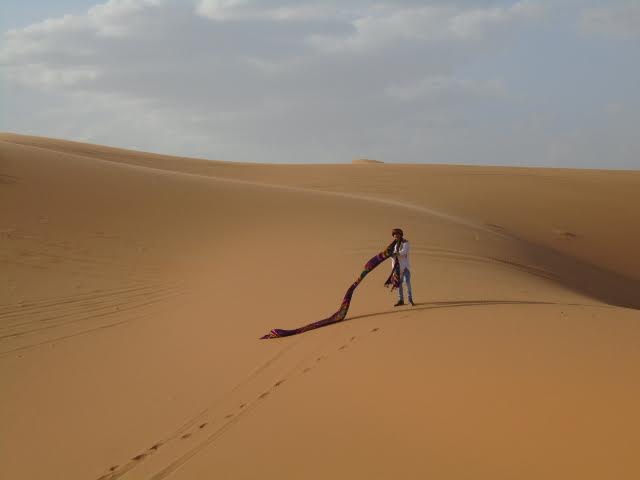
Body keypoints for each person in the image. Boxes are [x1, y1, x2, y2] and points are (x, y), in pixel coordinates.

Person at [391, 228, 415, 306]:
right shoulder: (393, 245)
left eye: (397, 234)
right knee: (399, 284)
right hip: (397, 268)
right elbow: (392, 257)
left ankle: (410, 300)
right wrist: (393, 269)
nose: (396, 236)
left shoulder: (405, 243)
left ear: (401, 234)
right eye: (394, 234)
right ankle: (401, 300)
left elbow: (404, 251)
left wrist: (396, 254)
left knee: (407, 282)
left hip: (405, 267)